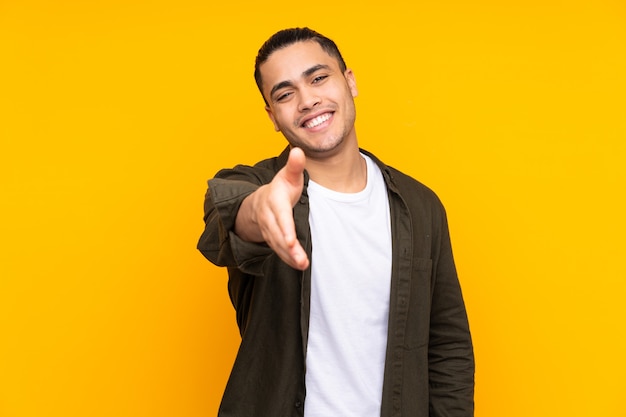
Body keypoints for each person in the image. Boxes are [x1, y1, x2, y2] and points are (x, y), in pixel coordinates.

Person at [198, 27, 474, 417]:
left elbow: (448, 345)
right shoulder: (257, 186)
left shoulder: (420, 205)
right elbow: (231, 216)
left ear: (350, 81)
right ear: (272, 116)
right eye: (285, 93)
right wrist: (261, 210)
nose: (308, 100)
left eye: (318, 78)